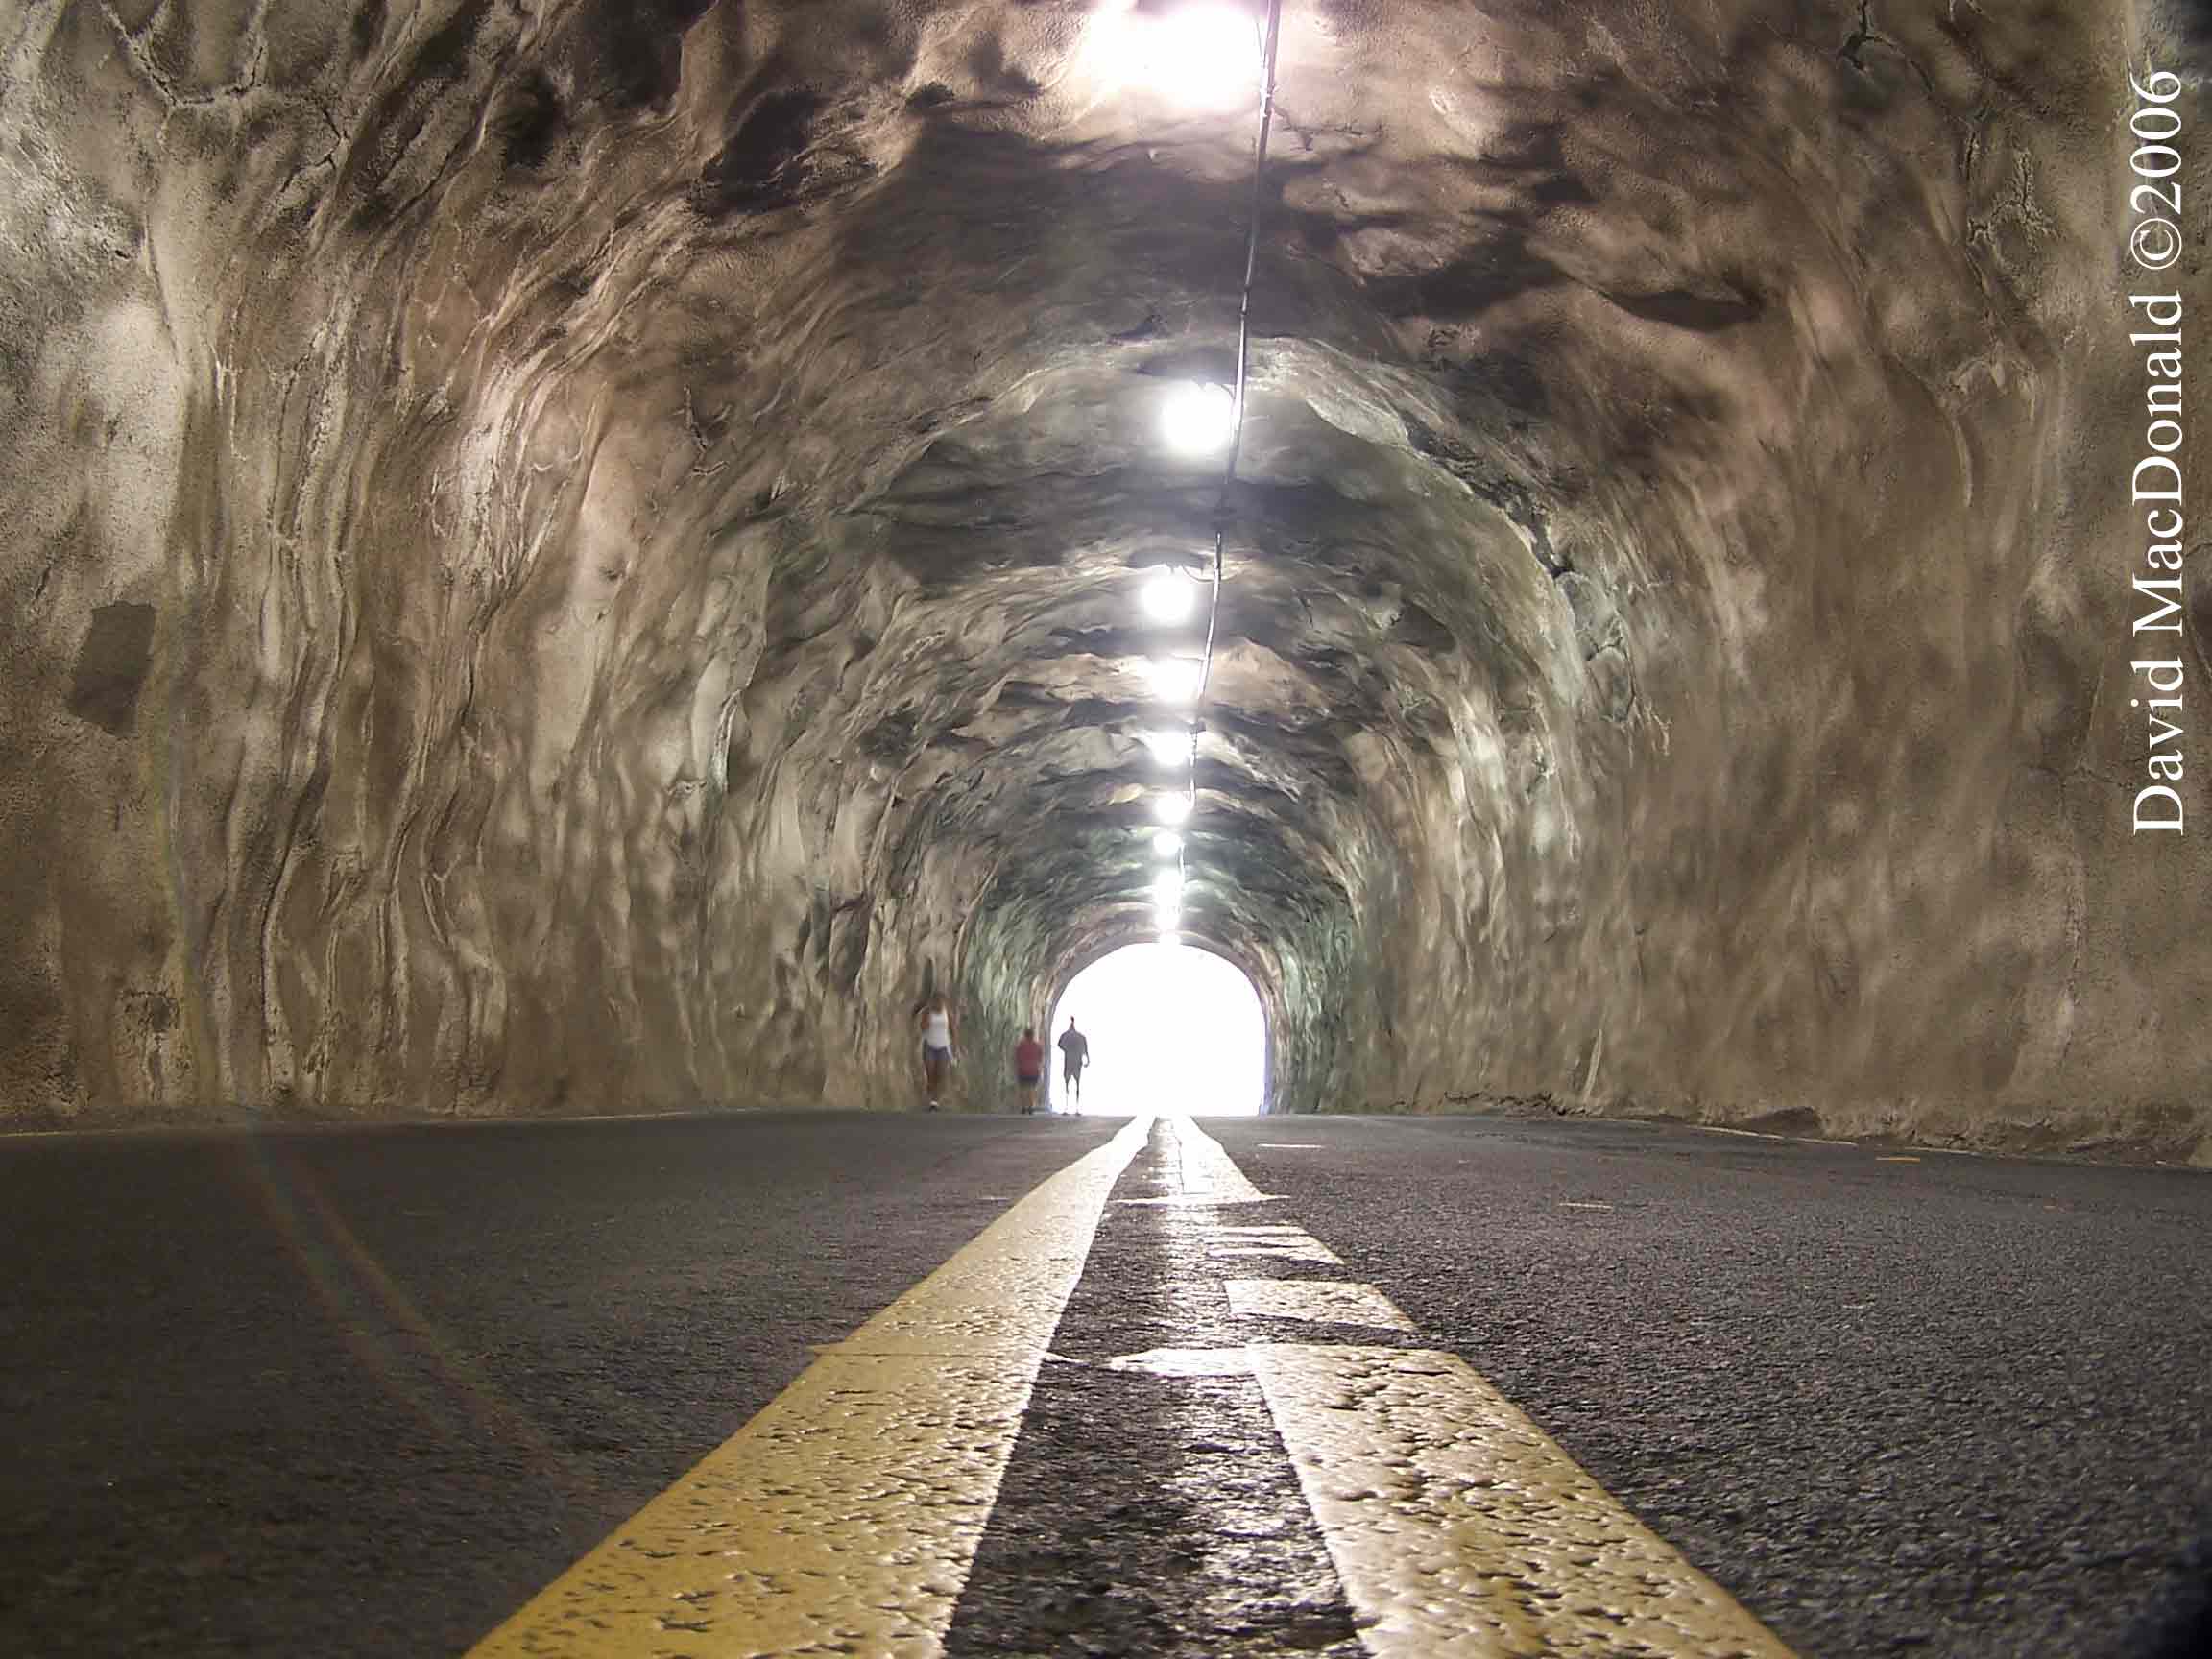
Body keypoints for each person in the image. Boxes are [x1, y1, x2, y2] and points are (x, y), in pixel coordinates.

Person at [917, 994, 955, 1110]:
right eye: (937, 1001)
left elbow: (953, 1028)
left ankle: (935, 1101)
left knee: (941, 1073)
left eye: (941, 1001)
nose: (939, 1004)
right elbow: (922, 1027)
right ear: (933, 1002)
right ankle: (931, 1098)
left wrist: (955, 1046)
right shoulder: (928, 1012)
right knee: (931, 1073)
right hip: (929, 1046)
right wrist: (928, 1016)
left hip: (944, 1046)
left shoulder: (947, 1012)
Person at [1057, 1017, 1090, 1111]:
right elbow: (1085, 1049)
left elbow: (1059, 1044)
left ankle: (1066, 1107)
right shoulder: (1081, 1036)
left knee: (1066, 1083)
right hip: (1077, 1061)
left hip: (1068, 1060)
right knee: (1077, 1083)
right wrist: (1087, 1059)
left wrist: (1066, 1049)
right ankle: (1077, 1107)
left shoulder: (1065, 1035)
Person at [1013, 1026, 1046, 1114]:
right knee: (1032, 1088)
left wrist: (1017, 1067)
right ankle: (1031, 1107)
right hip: (1033, 1070)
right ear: (1033, 1035)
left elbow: (1017, 1058)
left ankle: (1023, 1107)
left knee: (1023, 1089)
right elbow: (1040, 1059)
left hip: (1023, 1070)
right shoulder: (1037, 1046)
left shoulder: (1020, 1046)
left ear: (1025, 1035)